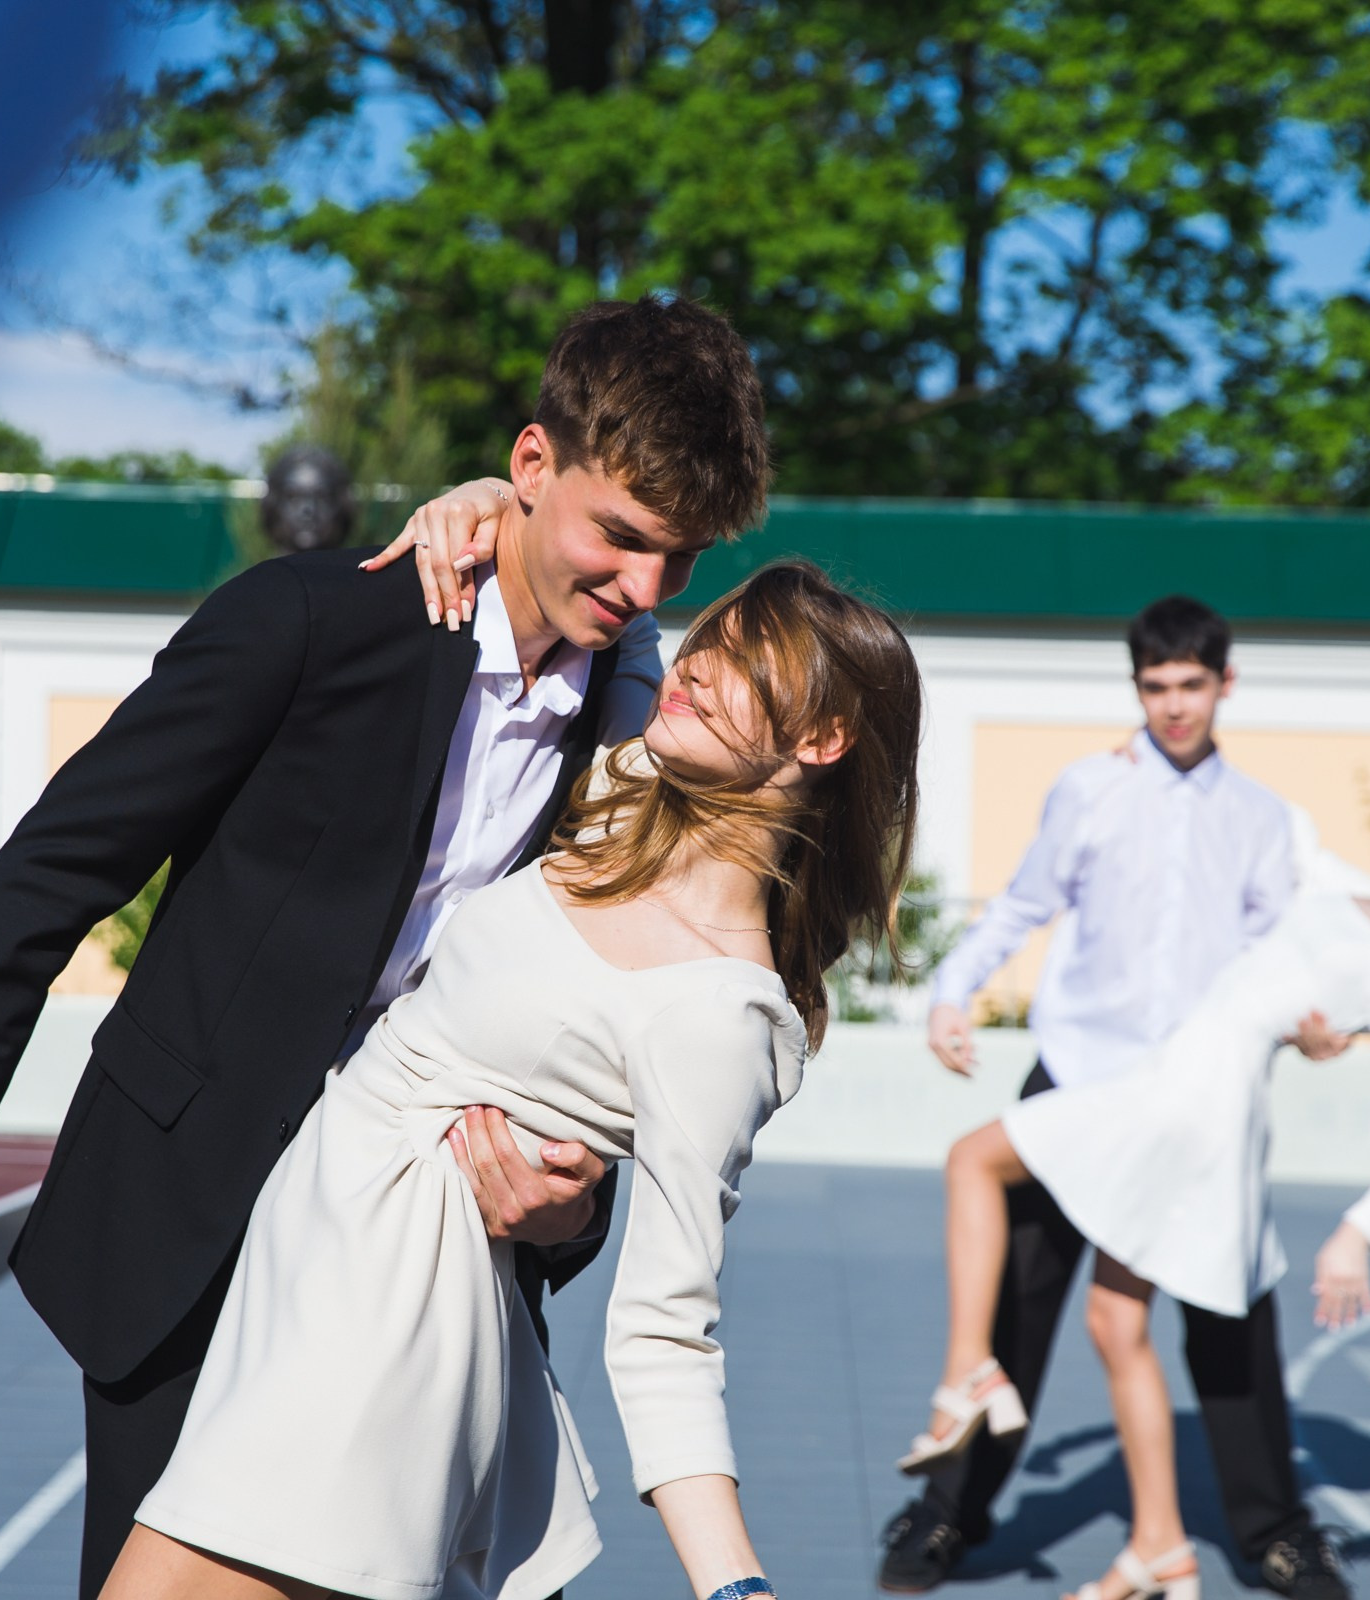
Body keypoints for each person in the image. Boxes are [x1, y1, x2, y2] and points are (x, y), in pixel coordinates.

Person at [0, 295, 768, 1600]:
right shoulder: (307, 622)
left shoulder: (630, 732)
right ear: (527, 465)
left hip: (428, 1248)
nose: (641, 591)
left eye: (676, 563)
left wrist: (570, 1211)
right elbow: (58, 866)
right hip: (188, 1221)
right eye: (620, 537)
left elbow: (602, 1017)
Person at [104, 562, 924, 1599]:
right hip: (311, 1272)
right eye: (709, 641)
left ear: (821, 741)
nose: (699, 670)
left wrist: (735, 1584)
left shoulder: (720, 1013)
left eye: (746, 665)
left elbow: (669, 1322)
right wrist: (487, 501)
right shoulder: (634, 793)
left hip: (381, 1325)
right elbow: (624, 629)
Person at [906, 818, 1370, 1600]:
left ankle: (970, 1373)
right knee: (1115, 1323)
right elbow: (1274, 826)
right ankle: (1158, 1546)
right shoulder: (1345, 886)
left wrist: (1356, 1236)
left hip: (1195, 1107)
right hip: (1171, 1079)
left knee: (974, 1158)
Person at [883, 596, 1354, 1599]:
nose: (1174, 706)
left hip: (1195, 1099)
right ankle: (946, 1516)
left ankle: (1277, 1530)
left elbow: (1286, 958)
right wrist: (950, 990)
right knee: (1015, 1300)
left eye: (1192, 685)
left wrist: (1315, 1029)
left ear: (1226, 685)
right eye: (1155, 687)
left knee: (1232, 1308)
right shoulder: (1089, 788)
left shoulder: (1267, 820)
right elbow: (1021, 903)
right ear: (1136, 687)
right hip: (1079, 1078)